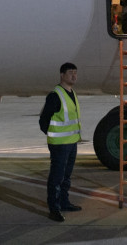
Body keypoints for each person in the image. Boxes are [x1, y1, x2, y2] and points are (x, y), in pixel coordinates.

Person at [39, 62, 82, 222]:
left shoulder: (72, 93)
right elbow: (43, 120)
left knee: (66, 176)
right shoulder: (55, 95)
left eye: (75, 72)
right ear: (62, 75)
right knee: (56, 177)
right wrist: (53, 135)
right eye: (70, 72)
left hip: (71, 142)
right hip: (59, 144)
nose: (74, 75)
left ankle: (64, 202)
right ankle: (54, 209)